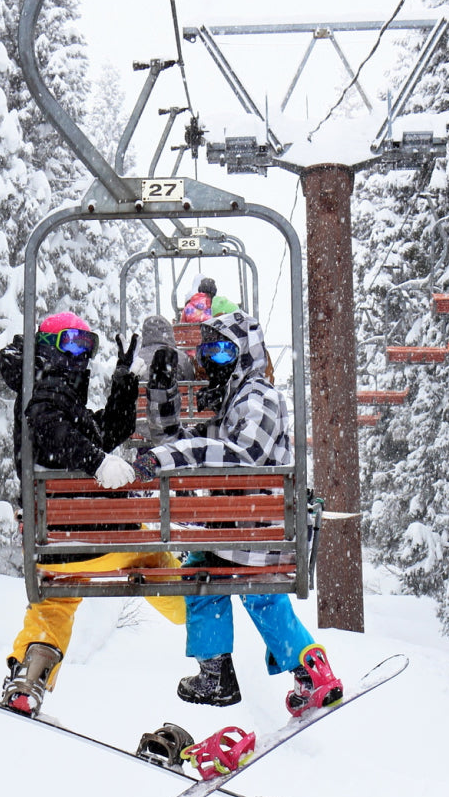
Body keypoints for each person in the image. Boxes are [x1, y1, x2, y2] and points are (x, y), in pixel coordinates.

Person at [132, 307, 343, 717]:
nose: (213, 361)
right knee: (260, 594)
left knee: (200, 574)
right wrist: (163, 397)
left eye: (224, 352)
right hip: (251, 534)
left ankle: (216, 676)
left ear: (246, 354)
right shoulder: (234, 404)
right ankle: (310, 670)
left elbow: (244, 454)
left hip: (252, 530)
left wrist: (167, 457)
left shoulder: (259, 398)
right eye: (208, 352)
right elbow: (185, 439)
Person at [0, 311, 185, 716]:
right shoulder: (46, 391)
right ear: (48, 346)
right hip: (100, 537)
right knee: (154, 558)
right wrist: (97, 463)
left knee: (54, 604)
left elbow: (106, 430)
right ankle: (198, 613)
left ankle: (31, 675)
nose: (79, 354)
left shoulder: (50, 394)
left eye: (88, 345)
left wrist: (123, 378)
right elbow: (50, 428)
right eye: (70, 343)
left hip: (56, 548)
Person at [136, 314, 194, 382]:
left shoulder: (136, 358)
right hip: (174, 391)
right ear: (169, 333)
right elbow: (191, 381)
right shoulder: (181, 357)